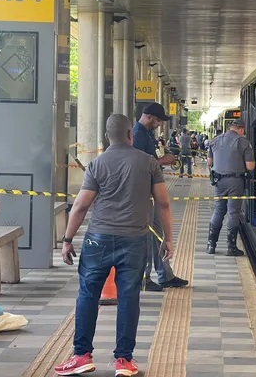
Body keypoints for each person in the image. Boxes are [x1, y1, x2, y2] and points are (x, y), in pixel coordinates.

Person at [55, 115, 175, 377]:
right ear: (130, 135)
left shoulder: (97, 164)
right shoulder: (148, 163)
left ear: (106, 137)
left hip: (98, 239)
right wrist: (168, 238)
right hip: (135, 240)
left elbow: (81, 206)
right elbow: (164, 204)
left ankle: (81, 356)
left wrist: (66, 240)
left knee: (88, 294)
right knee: (129, 297)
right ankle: (124, 361)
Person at [132, 102, 188, 291]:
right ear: (148, 116)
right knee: (148, 236)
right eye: (157, 120)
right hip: (142, 193)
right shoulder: (138, 134)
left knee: (156, 235)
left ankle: (165, 275)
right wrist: (161, 161)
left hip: (150, 191)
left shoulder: (147, 133)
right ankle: (144, 279)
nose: (159, 124)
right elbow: (138, 164)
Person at [206, 119, 255, 256]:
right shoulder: (243, 142)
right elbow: (250, 166)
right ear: (240, 129)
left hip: (219, 181)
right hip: (235, 182)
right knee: (233, 212)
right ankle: (231, 247)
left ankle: (211, 245)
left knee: (218, 211)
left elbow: (210, 162)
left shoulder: (214, 140)